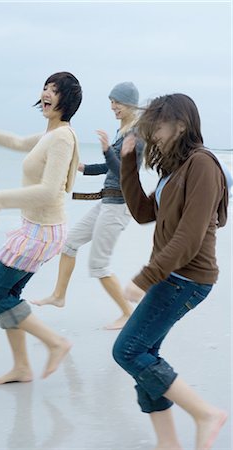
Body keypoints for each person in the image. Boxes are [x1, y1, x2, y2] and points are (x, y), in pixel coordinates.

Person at [112, 93, 228, 450]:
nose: (154, 135)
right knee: (144, 354)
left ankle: (206, 414)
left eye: (158, 127)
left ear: (181, 124)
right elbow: (144, 213)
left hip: (187, 279)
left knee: (128, 351)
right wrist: (128, 163)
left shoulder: (203, 165)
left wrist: (146, 276)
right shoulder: (176, 167)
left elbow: (190, 237)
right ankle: (168, 443)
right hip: (173, 276)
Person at [0, 72, 82, 384]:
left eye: (54, 90)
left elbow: (49, 190)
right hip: (37, 228)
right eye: (45, 87)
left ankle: (56, 343)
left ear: (66, 101)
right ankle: (22, 367)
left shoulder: (62, 138)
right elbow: (14, 141)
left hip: (41, 231)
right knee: (8, 293)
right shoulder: (50, 135)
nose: (46, 93)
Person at [31, 82, 144, 330]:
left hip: (119, 207)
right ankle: (59, 296)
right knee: (69, 243)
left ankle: (128, 313)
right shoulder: (122, 131)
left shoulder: (136, 135)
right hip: (107, 202)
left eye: (117, 102)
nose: (113, 107)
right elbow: (109, 167)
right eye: (111, 102)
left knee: (99, 265)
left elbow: (125, 174)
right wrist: (83, 168)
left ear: (130, 105)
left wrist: (105, 150)